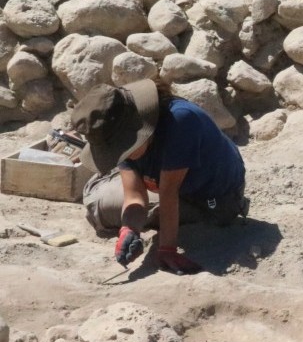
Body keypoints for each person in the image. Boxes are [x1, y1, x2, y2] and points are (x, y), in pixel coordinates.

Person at [70, 79, 248, 274]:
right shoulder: (120, 131)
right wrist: (129, 229)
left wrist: (167, 250)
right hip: (172, 188)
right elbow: (135, 196)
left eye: (122, 149)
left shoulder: (180, 121)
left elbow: (169, 193)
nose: (121, 155)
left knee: (99, 202)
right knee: (99, 203)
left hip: (213, 201)